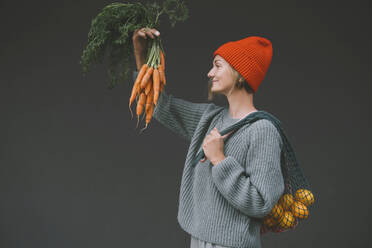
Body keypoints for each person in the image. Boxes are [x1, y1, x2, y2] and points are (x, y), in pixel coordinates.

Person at [132, 27, 285, 248]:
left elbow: (261, 203)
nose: (209, 73)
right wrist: (141, 54)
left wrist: (219, 160)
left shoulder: (263, 130)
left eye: (217, 65)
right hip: (198, 241)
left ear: (241, 73)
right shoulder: (209, 118)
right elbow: (159, 105)